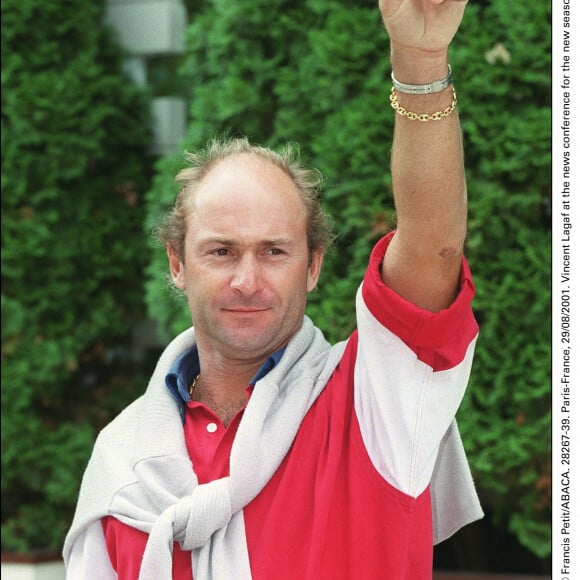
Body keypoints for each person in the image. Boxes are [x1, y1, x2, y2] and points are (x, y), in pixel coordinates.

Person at [63, 0, 483, 578]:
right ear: (177, 263)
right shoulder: (121, 460)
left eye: (274, 251)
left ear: (312, 266)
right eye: (220, 251)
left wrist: (421, 61)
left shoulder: (372, 404)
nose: (246, 280)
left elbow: (435, 245)